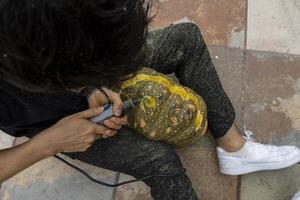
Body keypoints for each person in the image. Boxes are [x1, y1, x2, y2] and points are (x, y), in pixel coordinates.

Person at [0, 0, 299, 199]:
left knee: (185, 38)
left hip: (70, 55)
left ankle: (234, 149)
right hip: (47, 123)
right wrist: (49, 142)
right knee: (160, 161)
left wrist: (94, 85)